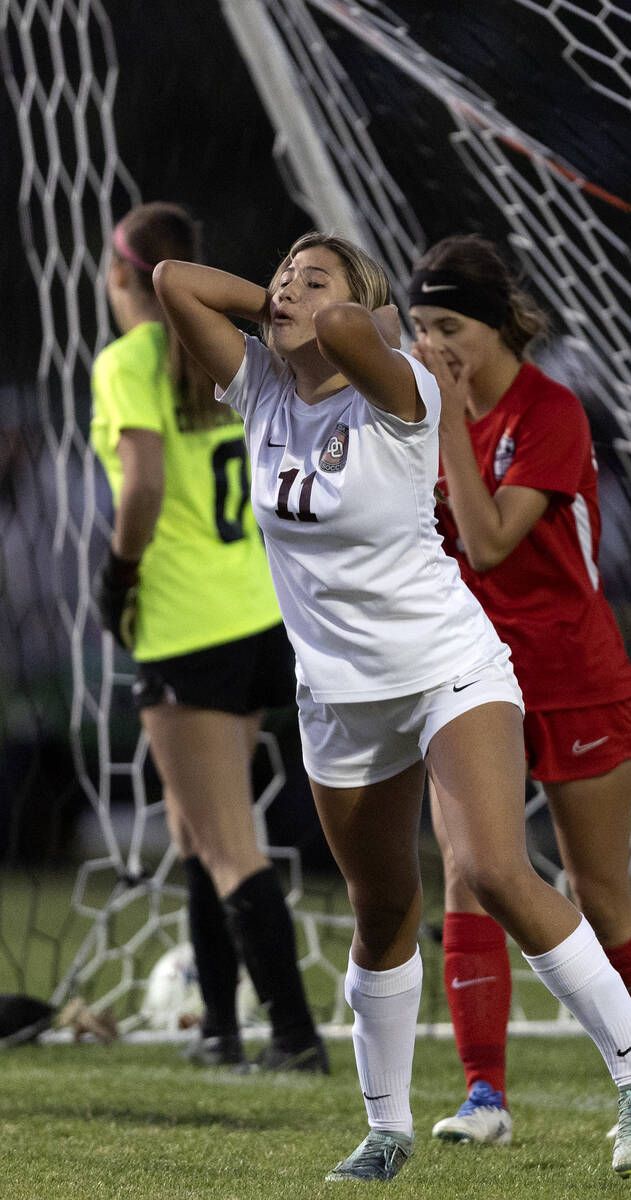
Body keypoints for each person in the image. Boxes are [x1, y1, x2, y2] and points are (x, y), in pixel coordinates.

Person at [153, 229, 631, 1182]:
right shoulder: (263, 388)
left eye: (308, 279)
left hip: (450, 665)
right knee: (381, 905)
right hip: (338, 695)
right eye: (279, 276)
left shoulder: (402, 384)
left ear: (357, 302)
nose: (283, 291)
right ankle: (387, 1127)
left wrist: (323, 310)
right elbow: (172, 279)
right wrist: (280, 307)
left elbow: (357, 329)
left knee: (490, 866)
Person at [407, 233, 631, 1147]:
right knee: (469, 874)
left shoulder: (551, 413)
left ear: (497, 326)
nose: (433, 345)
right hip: (467, 676)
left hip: (571, 676)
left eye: (448, 325)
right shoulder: (427, 413)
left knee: (596, 891)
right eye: (419, 327)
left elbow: (491, 542)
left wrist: (448, 420)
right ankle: (484, 1097)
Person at [90, 202, 327, 1075]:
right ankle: (222, 1029)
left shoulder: (130, 360)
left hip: (187, 626)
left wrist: (116, 576)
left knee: (226, 842)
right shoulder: (230, 350)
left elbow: (142, 482)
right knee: (198, 834)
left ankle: (296, 1037)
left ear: (123, 276)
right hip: (260, 613)